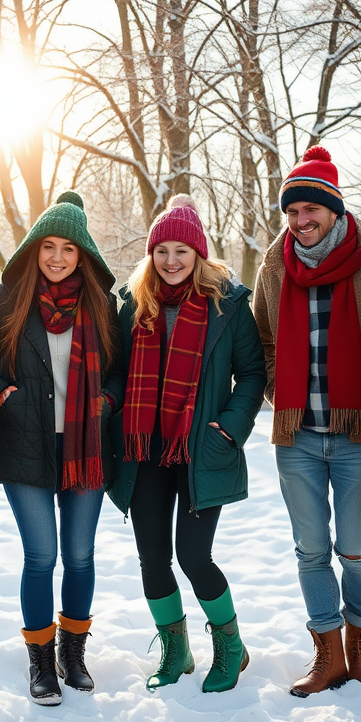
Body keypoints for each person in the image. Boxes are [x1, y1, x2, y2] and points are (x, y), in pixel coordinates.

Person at [109, 195, 265, 693]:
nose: (171, 261)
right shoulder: (134, 304)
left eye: (182, 251)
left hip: (202, 449)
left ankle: (230, 646)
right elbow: (115, 369)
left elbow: (253, 375)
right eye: (162, 251)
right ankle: (176, 650)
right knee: (153, 558)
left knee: (194, 556)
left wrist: (228, 429)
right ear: (151, 255)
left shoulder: (229, 305)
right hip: (145, 449)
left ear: (199, 255)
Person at [0, 191, 124, 705]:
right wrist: (2, 394)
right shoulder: (5, 300)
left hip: (88, 446)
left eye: (68, 248)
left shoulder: (105, 305)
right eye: (48, 247)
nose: (57, 257)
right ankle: (40, 662)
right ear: (34, 250)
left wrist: (107, 398)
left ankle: (72, 655)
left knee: (80, 556)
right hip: (25, 445)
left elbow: (124, 370)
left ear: (83, 255)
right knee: (41, 555)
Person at [252, 145, 361, 697]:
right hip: (298, 436)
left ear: (333, 210)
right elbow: (261, 337)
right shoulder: (274, 265)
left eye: (310, 210)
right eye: (292, 212)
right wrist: (274, 391)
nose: (301, 221)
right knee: (311, 549)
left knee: (354, 546)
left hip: (358, 433)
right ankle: (327, 652)